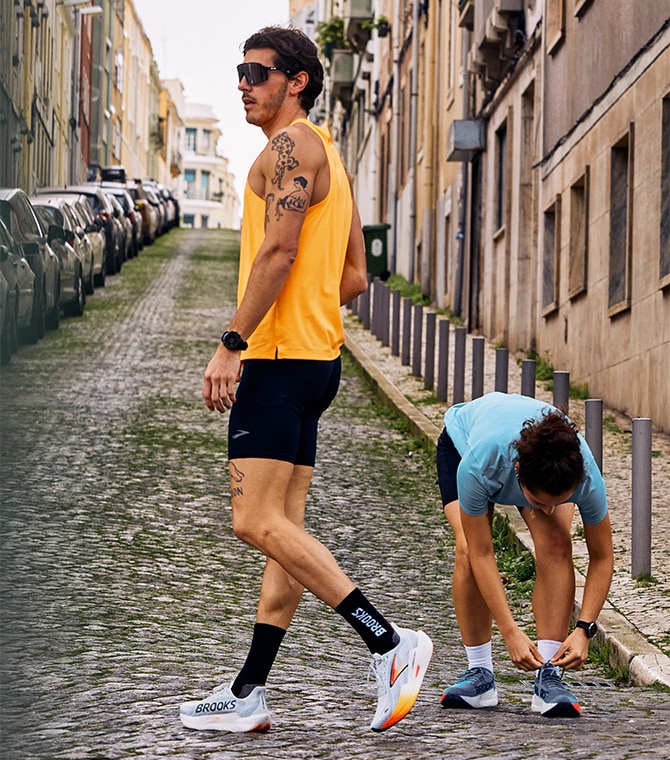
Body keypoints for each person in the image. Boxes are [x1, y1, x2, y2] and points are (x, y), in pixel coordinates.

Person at [179, 26, 432, 734]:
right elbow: (353, 274)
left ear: (296, 80)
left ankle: (389, 642)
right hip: (317, 360)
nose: (242, 84)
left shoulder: (288, 150)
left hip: (279, 359)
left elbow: (281, 249)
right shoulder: (331, 158)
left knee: (252, 520)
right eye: (239, 72)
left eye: (256, 73)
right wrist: (307, 306)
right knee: (281, 529)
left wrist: (233, 342)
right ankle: (249, 691)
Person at [436, 392, 613, 717]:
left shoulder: (586, 476)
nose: (547, 509)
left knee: (557, 543)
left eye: (559, 501)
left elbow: (602, 556)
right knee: (466, 548)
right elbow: (482, 552)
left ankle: (549, 673)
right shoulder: (479, 464)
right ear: (518, 475)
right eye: (539, 500)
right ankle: (479, 675)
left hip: (540, 457)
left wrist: (584, 628)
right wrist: (510, 632)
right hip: (463, 443)